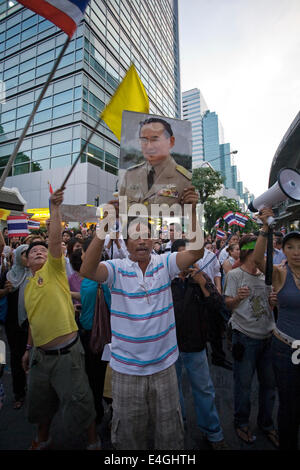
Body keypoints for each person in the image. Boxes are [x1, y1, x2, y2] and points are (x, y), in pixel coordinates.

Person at [80, 187, 204, 450]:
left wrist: (192, 210)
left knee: (170, 437)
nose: (142, 241)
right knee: (128, 438)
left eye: (146, 236)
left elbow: (195, 253)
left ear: (154, 241)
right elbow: (87, 269)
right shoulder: (115, 269)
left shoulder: (165, 264)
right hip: (126, 371)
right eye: (135, 236)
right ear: (124, 243)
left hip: (165, 368)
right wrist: (104, 223)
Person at [21, 189, 100, 451]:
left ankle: (93, 442)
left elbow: (54, 242)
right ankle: (42, 440)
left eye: (44, 250)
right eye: (34, 252)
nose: (40, 252)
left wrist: (54, 209)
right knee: (41, 404)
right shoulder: (28, 287)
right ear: (25, 260)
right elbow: (33, 320)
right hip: (40, 358)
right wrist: (28, 349)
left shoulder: (54, 270)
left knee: (80, 401)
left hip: (67, 355)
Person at [171, 239, 228, 450]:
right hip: (171, 347)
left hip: (196, 346)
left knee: (204, 390)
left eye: (191, 255)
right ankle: (179, 425)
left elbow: (218, 306)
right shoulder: (167, 281)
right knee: (174, 391)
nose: (188, 260)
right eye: (182, 255)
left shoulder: (201, 279)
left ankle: (213, 433)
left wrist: (203, 284)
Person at [224, 234, 278, 447]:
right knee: (243, 386)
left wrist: (274, 302)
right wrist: (237, 298)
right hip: (244, 338)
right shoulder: (235, 275)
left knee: (269, 386)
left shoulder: (268, 276)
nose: (262, 255)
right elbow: (227, 304)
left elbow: (271, 306)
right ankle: (241, 423)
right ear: (249, 252)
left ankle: (267, 424)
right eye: (259, 250)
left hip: (268, 337)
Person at [253, 208, 300, 450]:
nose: (296, 252)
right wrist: (264, 230)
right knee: (289, 405)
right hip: (286, 348)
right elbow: (258, 260)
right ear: (283, 250)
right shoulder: (281, 274)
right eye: (290, 247)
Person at [119, 117, 192, 209]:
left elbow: (187, 219)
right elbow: (121, 214)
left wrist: (192, 210)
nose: (149, 146)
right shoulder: (130, 175)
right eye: (144, 140)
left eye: (155, 139)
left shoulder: (185, 180)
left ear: (171, 141)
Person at [78, 237, 109, 425]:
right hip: (88, 334)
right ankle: (98, 412)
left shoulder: (105, 274)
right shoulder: (85, 278)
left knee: (102, 379)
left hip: (104, 336)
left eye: (85, 251)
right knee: (95, 379)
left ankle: (109, 412)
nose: (82, 255)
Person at [4, 244, 30, 409]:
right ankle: (18, 392)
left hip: (32, 324)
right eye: (24, 254)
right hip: (13, 324)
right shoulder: (9, 276)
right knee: (16, 358)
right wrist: (6, 290)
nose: (28, 257)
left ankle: (36, 391)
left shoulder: (37, 275)